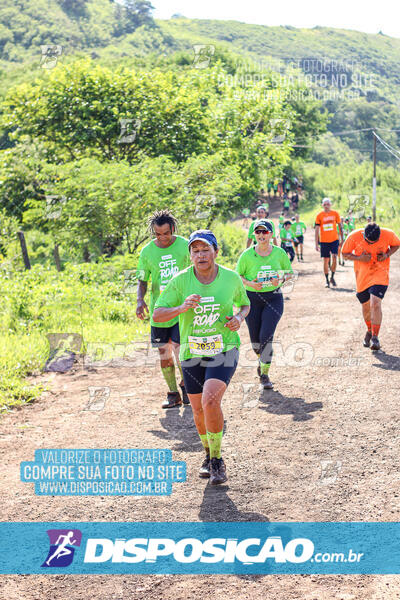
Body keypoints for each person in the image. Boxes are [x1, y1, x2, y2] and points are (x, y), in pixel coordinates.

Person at [153, 230, 250, 484]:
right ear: (190, 256)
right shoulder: (180, 281)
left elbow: (245, 303)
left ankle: (217, 460)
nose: (201, 255)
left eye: (206, 249)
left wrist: (238, 318)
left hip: (224, 349)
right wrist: (181, 308)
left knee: (209, 401)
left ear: (216, 252)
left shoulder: (230, 278)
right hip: (191, 353)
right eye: (195, 251)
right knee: (197, 410)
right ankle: (208, 454)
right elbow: (158, 314)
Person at [136, 210, 191, 409]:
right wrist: (139, 300)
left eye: (166, 233)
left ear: (173, 229)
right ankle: (172, 393)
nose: (163, 238)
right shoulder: (147, 252)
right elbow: (142, 280)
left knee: (180, 350)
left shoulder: (186, 245)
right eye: (158, 234)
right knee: (163, 353)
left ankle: (188, 387)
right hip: (160, 310)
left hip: (182, 308)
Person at [236, 219, 294, 390]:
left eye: (265, 232)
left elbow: (290, 274)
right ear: (254, 234)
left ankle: (265, 375)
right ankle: (262, 360)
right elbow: (237, 277)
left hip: (273, 299)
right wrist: (251, 284)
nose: (261, 235)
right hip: (252, 300)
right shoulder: (246, 255)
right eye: (258, 232)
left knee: (266, 337)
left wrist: (281, 278)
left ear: (271, 234)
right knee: (256, 342)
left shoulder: (279, 253)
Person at [342, 223, 400, 351]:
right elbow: (344, 254)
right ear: (364, 235)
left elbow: (396, 244)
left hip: (380, 275)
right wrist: (359, 258)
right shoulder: (354, 237)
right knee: (366, 306)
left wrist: (387, 255)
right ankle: (369, 330)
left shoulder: (388, 234)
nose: (372, 244)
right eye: (369, 242)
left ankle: (375, 337)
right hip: (362, 277)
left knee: (375, 303)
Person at [315, 198, 343, 288]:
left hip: (334, 240)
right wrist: (316, 243)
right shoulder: (319, 216)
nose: (326, 206)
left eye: (328, 204)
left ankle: (332, 277)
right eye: (325, 204)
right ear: (322, 205)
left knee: (335, 257)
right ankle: (327, 280)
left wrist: (342, 239)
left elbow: (340, 226)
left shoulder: (335, 214)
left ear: (330, 205)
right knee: (326, 260)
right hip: (324, 241)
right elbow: (316, 230)